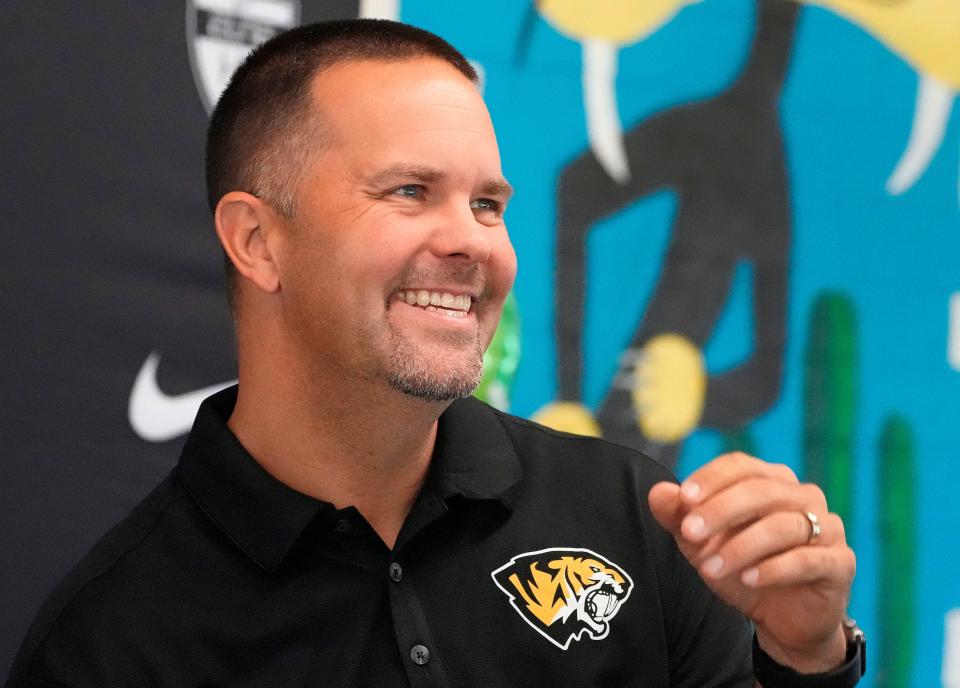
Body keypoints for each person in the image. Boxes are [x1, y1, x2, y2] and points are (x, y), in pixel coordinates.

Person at [5, 19, 862, 688]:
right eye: (410, 191)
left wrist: (805, 656)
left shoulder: (638, 519)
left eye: (489, 204)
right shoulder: (111, 643)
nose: (473, 244)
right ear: (257, 242)